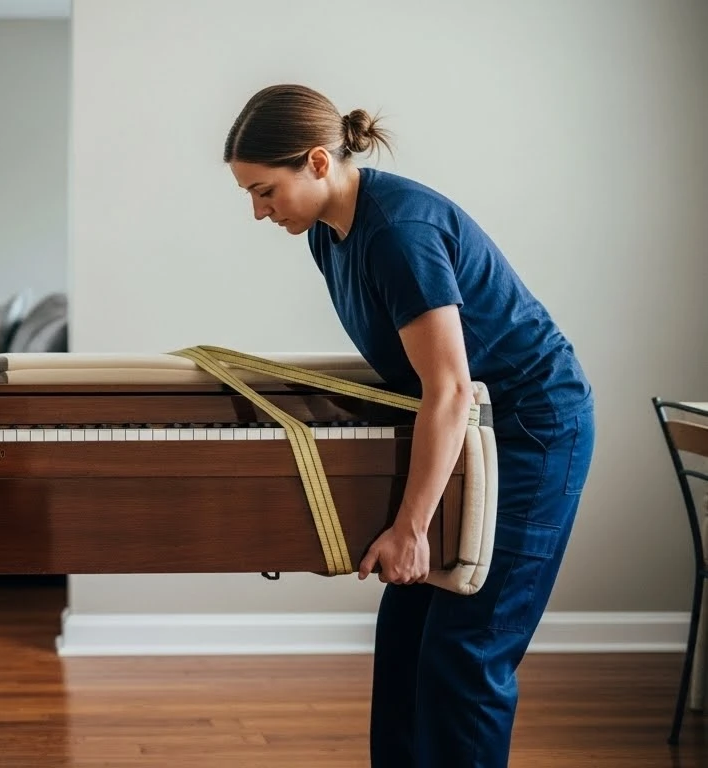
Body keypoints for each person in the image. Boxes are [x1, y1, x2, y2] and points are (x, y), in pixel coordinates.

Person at [222, 84, 595, 766]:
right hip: (467, 426)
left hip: (530, 431)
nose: (256, 211)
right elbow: (407, 373)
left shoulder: (397, 231)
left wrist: (412, 526)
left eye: (264, 191)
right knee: (403, 643)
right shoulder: (329, 235)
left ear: (314, 162)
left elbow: (448, 389)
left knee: (465, 652)